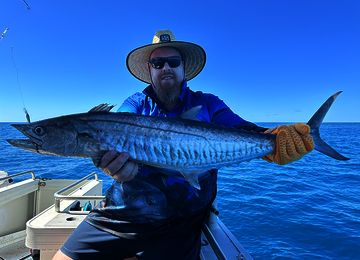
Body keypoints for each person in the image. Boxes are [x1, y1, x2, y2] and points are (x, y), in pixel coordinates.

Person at [53, 30, 314, 260]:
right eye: (158, 62)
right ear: (150, 70)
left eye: (173, 61)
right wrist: (110, 166)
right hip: (123, 214)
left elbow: (238, 128)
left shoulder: (208, 103)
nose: (165, 67)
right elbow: (113, 131)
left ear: (183, 68)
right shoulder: (135, 106)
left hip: (182, 220)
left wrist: (273, 141)